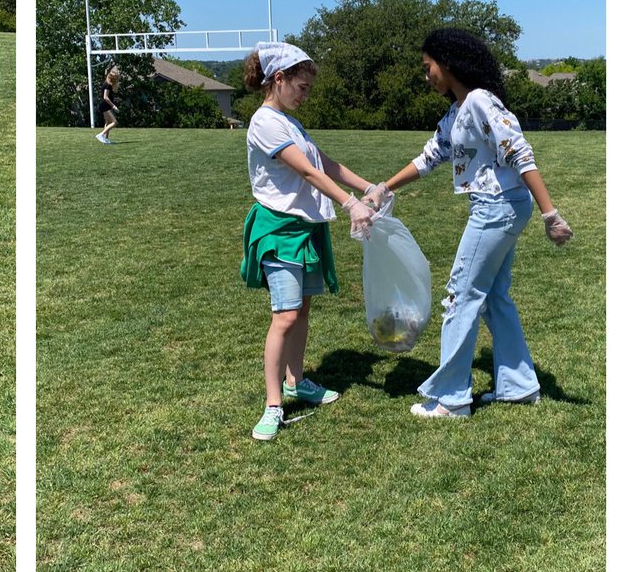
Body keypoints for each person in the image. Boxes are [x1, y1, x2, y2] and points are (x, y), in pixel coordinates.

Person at [363, 27, 573, 419]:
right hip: (499, 205)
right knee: (493, 297)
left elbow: (519, 152)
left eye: (428, 68)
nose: (426, 77)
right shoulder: (458, 111)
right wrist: (383, 188)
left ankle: (453, 397)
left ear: (448, 62)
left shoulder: (479, 101)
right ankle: (519, 386)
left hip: (498, 207)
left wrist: (551, 214)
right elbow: (429, 157)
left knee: (461, 294)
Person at [239, 42, 376, 441]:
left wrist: (370, 186)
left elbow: (324, 163)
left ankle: (297, 381)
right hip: (279, 230)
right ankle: (273, 404)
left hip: (305, 229)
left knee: (301, 311)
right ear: (277, 79)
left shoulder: (290, 122)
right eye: (300, 86)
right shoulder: (265, 122)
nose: (304, 94)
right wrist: (352, 204)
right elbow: (307, 174)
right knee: (283, 315)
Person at [95, 66, 120, 144]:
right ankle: (101, 135)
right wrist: (114, 106)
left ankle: (105, 139)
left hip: (106, 106)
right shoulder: (107, 84)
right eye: (116, 76)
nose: (117, 78)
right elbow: (105, 97)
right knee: (114, 122)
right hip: (105, 106)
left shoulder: (110, 84)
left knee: (108, 123)